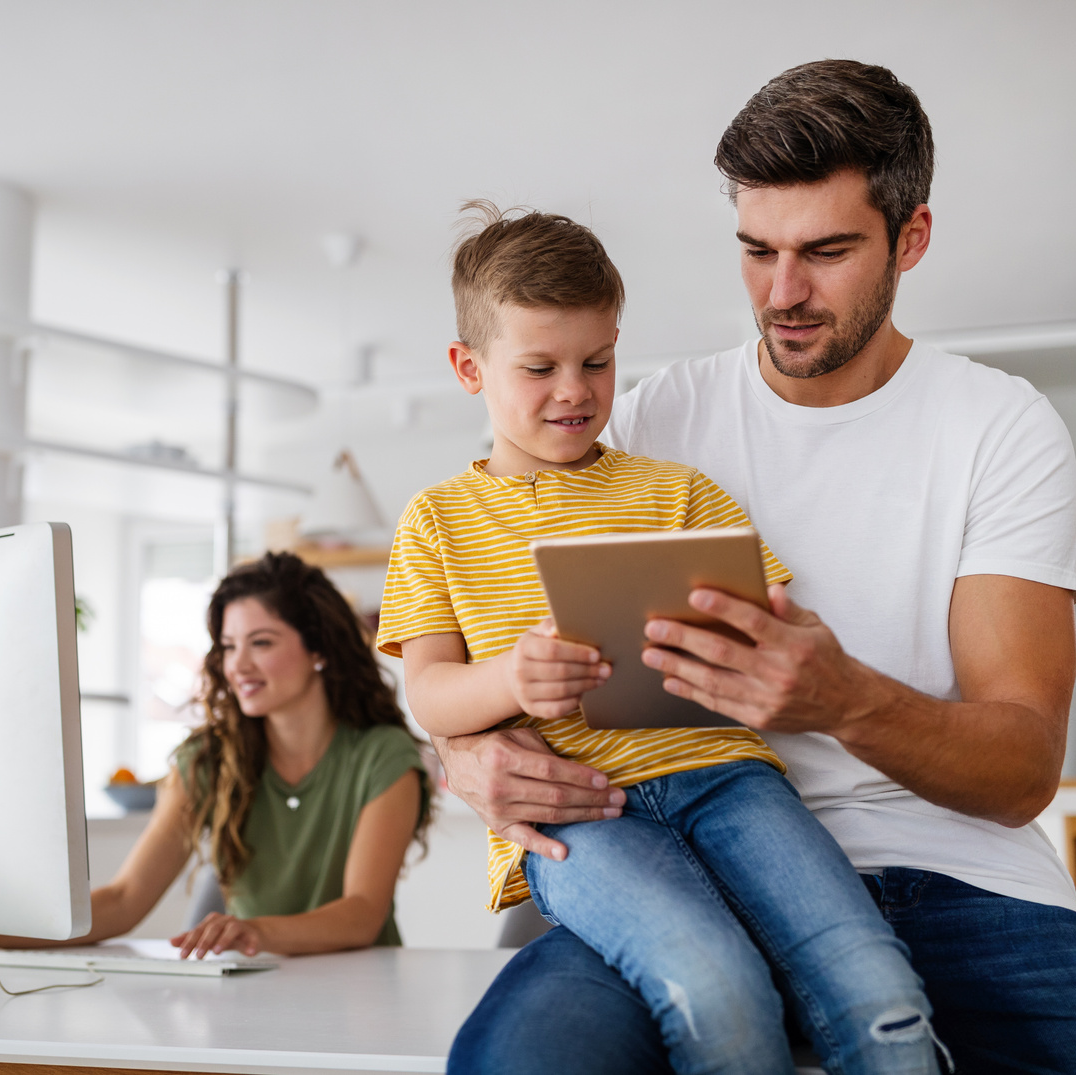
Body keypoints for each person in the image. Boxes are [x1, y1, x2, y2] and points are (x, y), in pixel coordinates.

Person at [442, 60, 1076, 1075]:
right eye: (756, 251)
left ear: (910, 238)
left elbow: (1021, 767)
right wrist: (470, 760)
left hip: (957, 881)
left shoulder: (996, 426)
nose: (782, 292)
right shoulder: (649, 419)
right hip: (684, 864)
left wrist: (841, 698)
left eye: (826, 251)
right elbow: (493, 636)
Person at [379, 202, 939, 1075]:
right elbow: (430, 695)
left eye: (597, 361)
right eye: (540, 366)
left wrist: (782, 626)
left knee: (882, 993)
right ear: (467, 367)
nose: (575, 389)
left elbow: (777, 616)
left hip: (727, 781)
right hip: (576, 810)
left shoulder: (677, 490)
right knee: (714, 988)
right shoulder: (434, 522)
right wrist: (511, 681)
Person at [0, 551, 432, 960]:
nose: (236, 664)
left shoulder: (382, 756)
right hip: (251, 990)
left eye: (261, 642)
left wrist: (256, 930)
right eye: (227, 645)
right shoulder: (206, 761)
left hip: (364, 986)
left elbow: (362, 915)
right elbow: (124, 901)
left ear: (318, 650)